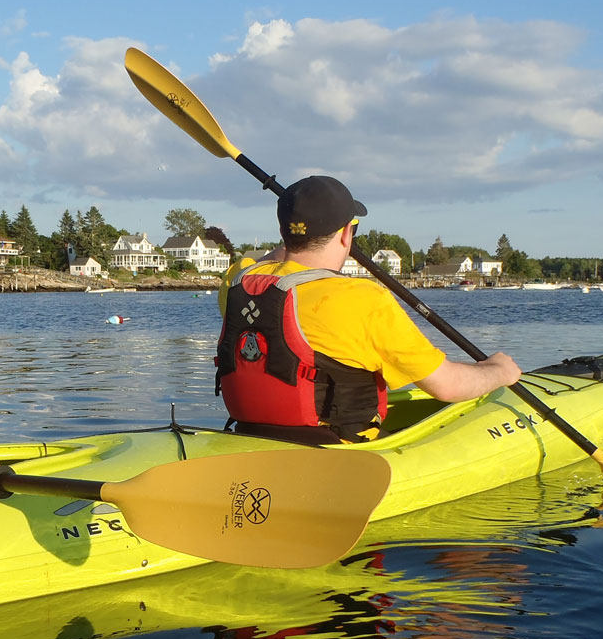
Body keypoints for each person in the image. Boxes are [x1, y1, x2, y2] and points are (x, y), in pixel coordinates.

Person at [216, 175, 521, 443]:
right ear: (347, 234)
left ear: (284, 234)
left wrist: (298, 238)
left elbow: (268, 261)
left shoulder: (239, 282)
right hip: (341, 449)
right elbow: (448, 386)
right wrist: (498, 371)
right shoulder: (363, 299)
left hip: (254, 436)